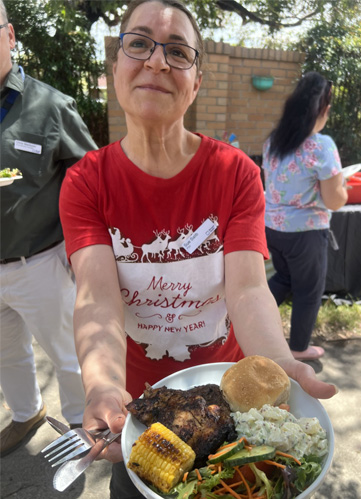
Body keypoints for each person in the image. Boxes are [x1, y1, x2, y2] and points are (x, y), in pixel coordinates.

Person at [58, 1, 338, 496]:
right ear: (116, 65)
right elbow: (97, 300)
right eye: (139, 43)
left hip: (227, 399)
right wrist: (101, 385)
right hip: (139, 411)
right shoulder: (86, 182)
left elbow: (249, 290)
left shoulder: (235, 174)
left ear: (197, 82)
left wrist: (276, 363)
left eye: (178, 52)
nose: (158, 61)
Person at [0, 0, 97, 457]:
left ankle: (82, 427)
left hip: (40, 261)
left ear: (11, 35)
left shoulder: (51, 107)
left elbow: (92, 181)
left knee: (68, 355)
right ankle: (26, 415)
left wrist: (84, 253)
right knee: (7, 353)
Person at [262, 72, 348, 362]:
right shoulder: (321, 146)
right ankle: (298, 349)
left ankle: (246, 324)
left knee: (283, 278)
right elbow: (335, 200)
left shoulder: (274, 141)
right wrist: (344, 190)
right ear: (321, 109)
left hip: (273, 228)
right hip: (306, 233)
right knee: (308, 292)